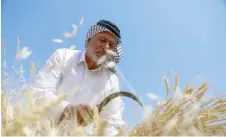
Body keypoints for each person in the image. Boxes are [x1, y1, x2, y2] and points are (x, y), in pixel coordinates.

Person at [29, 19, 126, 135]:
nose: (106, 46)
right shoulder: (63, 56)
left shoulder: (111, 80)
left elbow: (112, 122)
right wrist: (68, 110)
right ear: (89, 40)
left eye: (111, 45)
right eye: (102, 40)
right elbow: (38, 93)